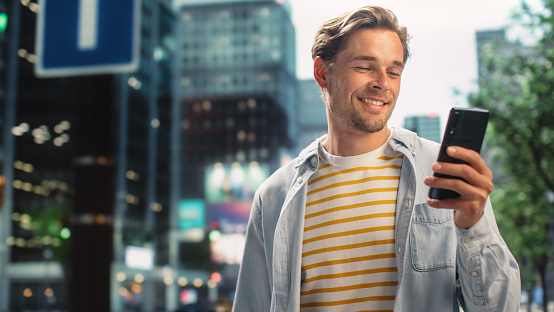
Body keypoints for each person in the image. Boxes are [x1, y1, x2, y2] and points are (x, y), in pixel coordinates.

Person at [232, 5, 520, 312]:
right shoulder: (274, 196)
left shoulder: (444, 171)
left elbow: (501, 307)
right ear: (322, 73)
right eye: (365, 67)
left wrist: (474, 226)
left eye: (394, 71)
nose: (383, 82)